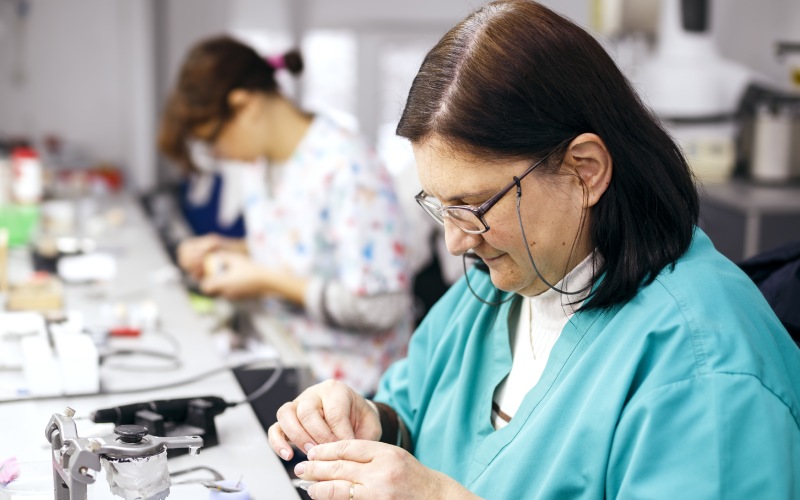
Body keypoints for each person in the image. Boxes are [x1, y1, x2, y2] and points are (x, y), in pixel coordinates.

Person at [266, 1, 800, 498]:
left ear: (584, 171)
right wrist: (374, 422)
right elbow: (416, 410)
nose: (456, 242)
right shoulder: (496, 287)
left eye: (475, 205)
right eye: (441, 206)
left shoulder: (707, 373)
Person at [158, 36, 412, 395]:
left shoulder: (347, 167)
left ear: (245, 106)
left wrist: (262, 279)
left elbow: (380, 306)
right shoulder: (261, 163)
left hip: (350, 393)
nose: (220, 155)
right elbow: (303, 249)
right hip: (284, 357)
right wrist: (231, 249)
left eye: (214, 141)